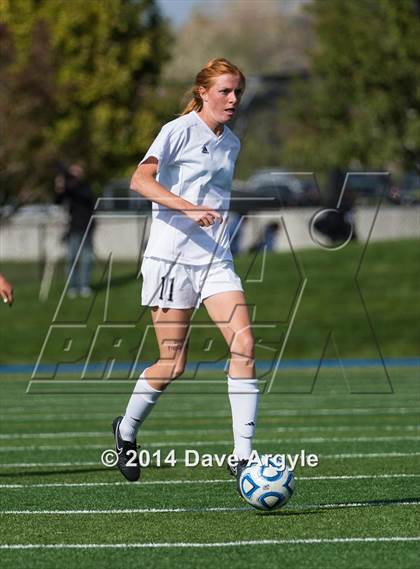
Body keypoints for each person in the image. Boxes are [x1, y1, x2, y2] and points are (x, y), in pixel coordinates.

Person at [112, 58, 259, 490]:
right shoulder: (177, 130)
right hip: (170, 260)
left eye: (238, 93)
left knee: (245, 344)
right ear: (202, 93)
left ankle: (243, 458)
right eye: (225, 92)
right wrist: (189, 208)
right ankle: (126, 430)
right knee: (173, 364)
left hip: (215, 259)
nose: (233, 100)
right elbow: (140, 181)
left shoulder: (231, 142)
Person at [55, 162, 96, 298]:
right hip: (73, 228)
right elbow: (58, 201)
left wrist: (68, 185)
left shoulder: (85, 187)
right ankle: (72, 287)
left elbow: (83, 196)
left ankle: (84, 285)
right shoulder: (68, 189)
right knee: (71, 257)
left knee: (86, 258)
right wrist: (60, 188)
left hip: (87, 227)